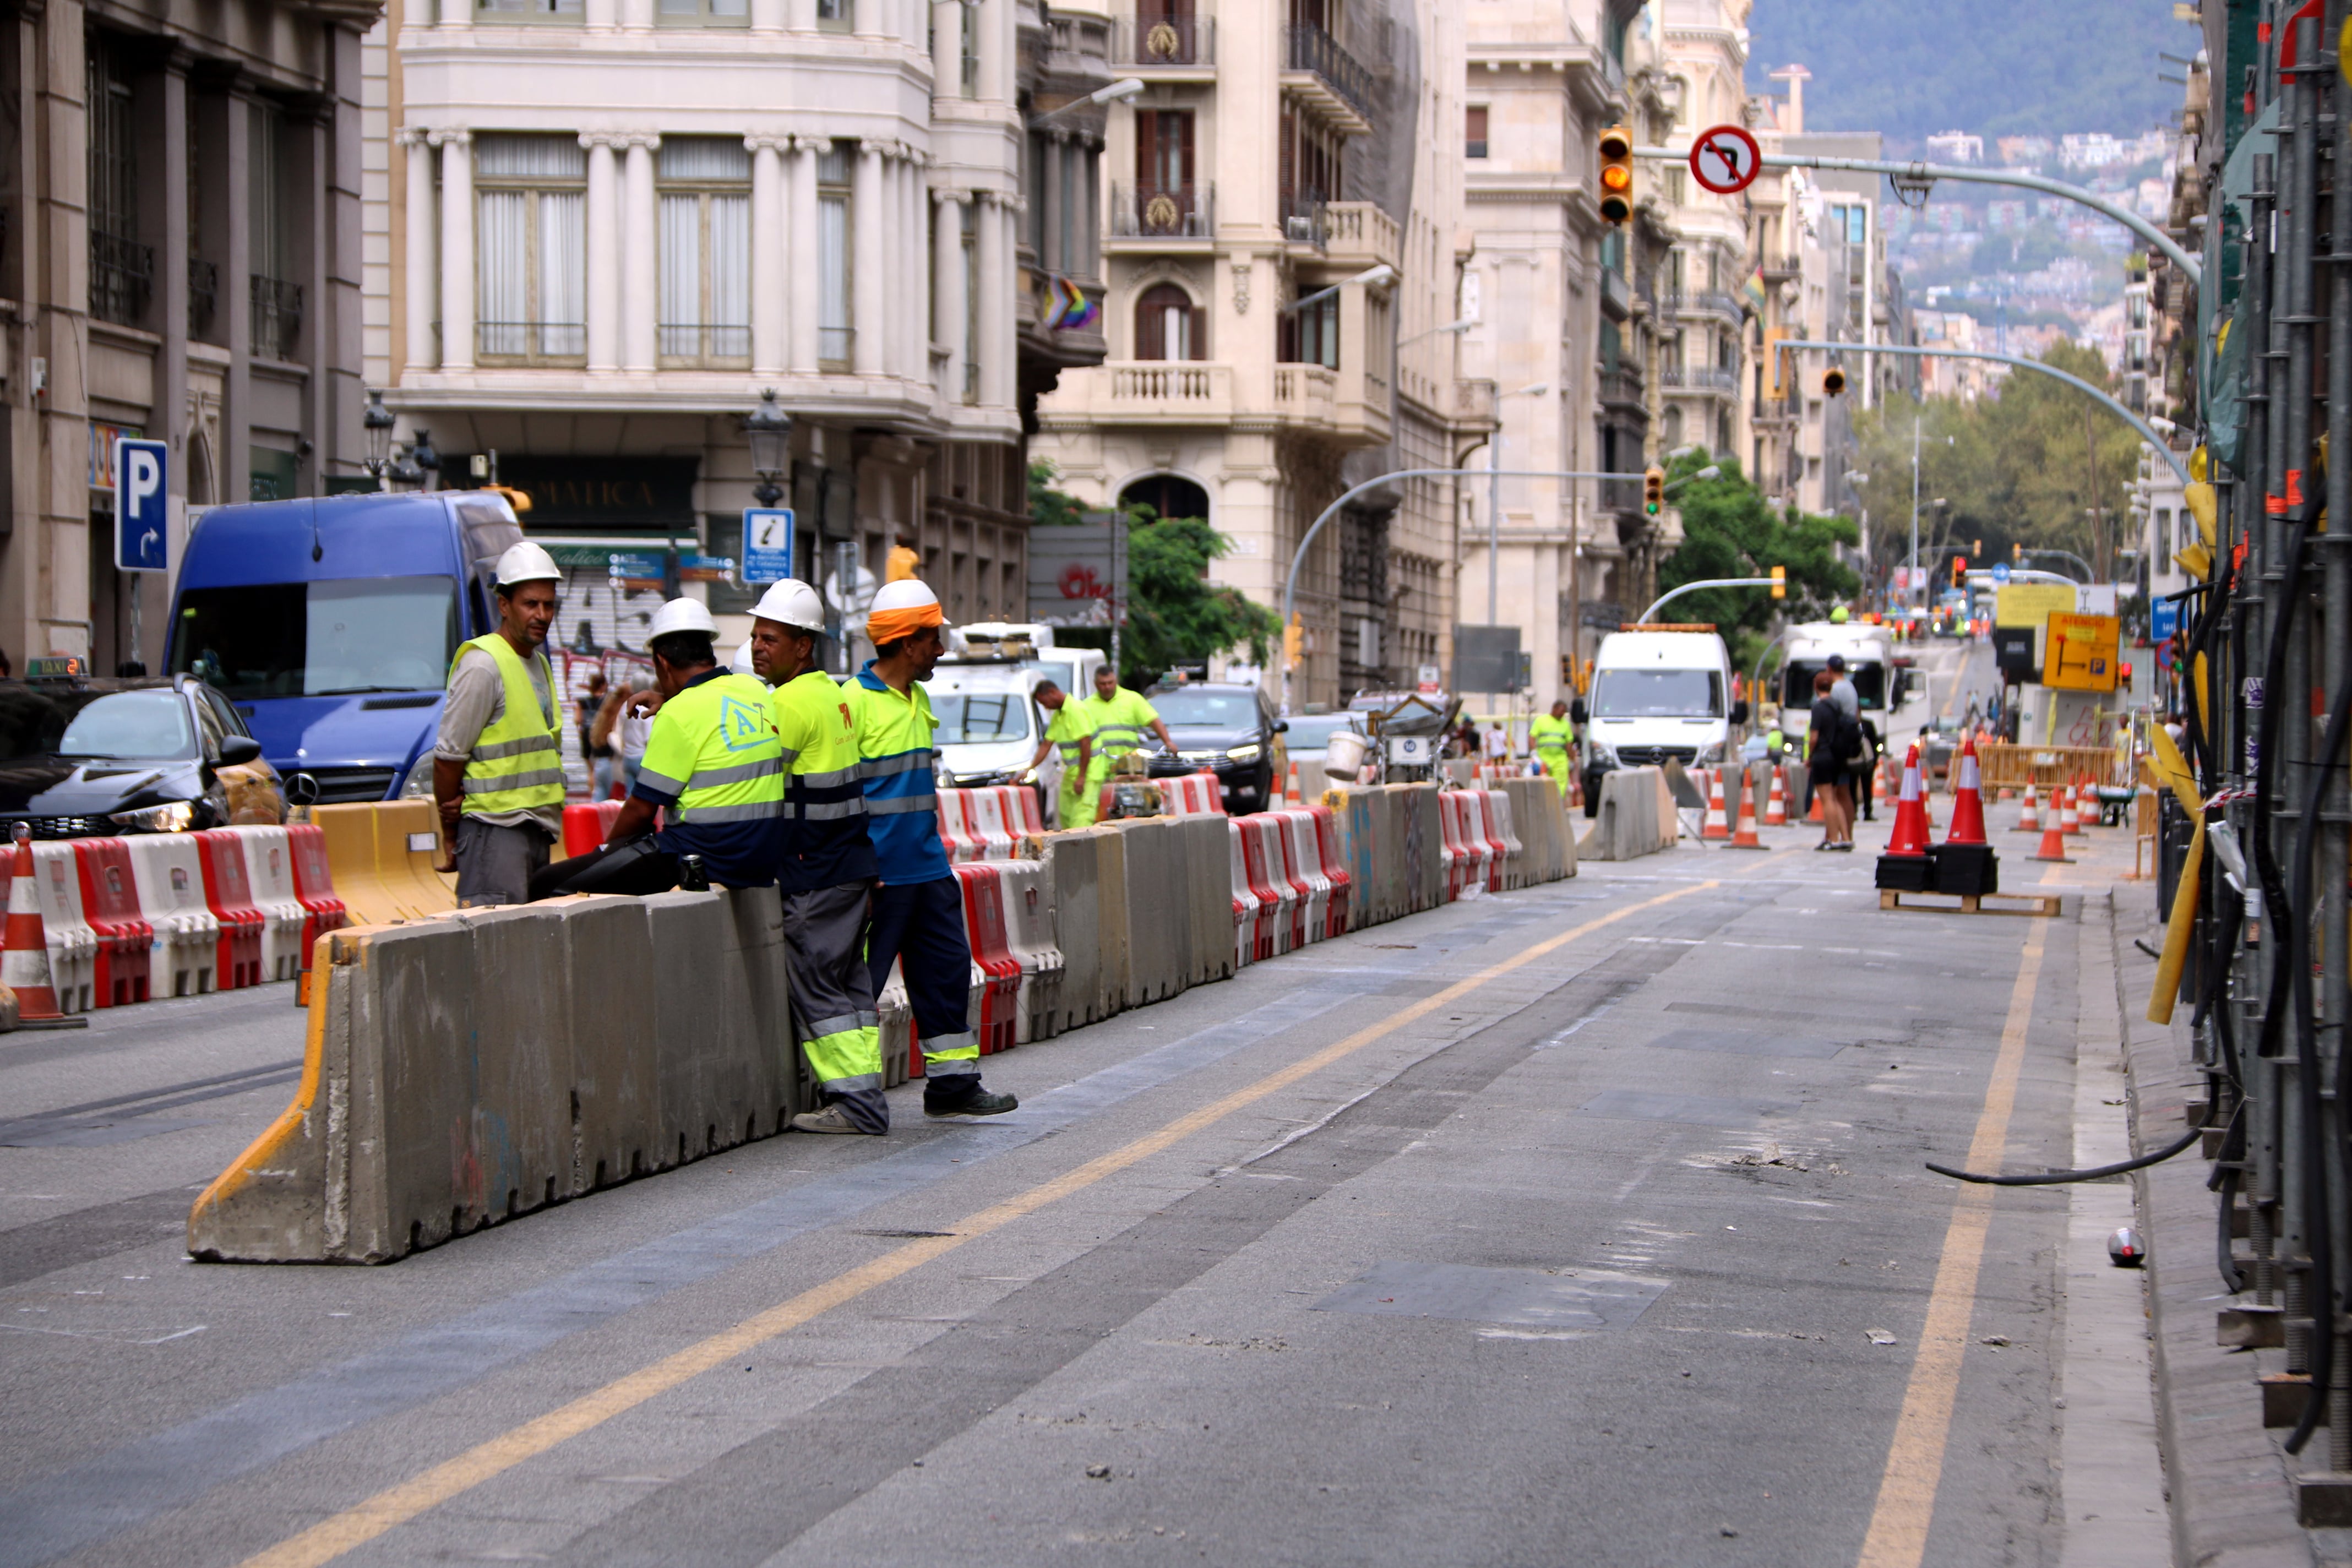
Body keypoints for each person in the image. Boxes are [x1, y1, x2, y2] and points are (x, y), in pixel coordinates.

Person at [847, 578, 1017, 1118]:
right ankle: (848, 1095)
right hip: (880, 877)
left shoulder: (916, 697)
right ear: (906, 642)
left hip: (927, 869)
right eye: (933, 639)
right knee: (859, 989)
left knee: (944, 976)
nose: (941, 650)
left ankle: (953, 1086)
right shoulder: (850, 704)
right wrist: (857, 864)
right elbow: (839, 795)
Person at [746, 581, 888, 1136]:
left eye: (771, 638)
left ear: (803, 646)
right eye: (756, 636)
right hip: (852, 865)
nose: (759, 646)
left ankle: (855, 1105)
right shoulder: (837, 694)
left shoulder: (786, 703)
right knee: (850, 985)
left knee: (816, 982)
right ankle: (866, 1094)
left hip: (814, 870)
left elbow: (752, 781)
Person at [529, 598, 785, 898]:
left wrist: (606, 851)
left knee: (547, 883)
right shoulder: (753, 690)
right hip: (759, 859)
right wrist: (671, 699)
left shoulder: (679, 714)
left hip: (700, 859)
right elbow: (712, 714)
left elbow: (640, 809)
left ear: (662, 661)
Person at [434, 542, 567, 906]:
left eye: (549, 604)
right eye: (530, 604)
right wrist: (450, 831)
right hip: (495, 832)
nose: (542, 614)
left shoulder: (538, 664)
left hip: (536, 830)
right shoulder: (483, 665)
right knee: (497, 948)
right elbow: (448, 757)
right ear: (504, 605)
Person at [1027, 680, 1100, 830]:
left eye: (1044, 702)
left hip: (1089, 774)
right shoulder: (1059, 716)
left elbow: (1086, 744)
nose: (1045, 707)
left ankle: (1081, 851)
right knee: (1065, 818)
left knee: (1081, 821)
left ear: (1053, 693)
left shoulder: (1075, 710)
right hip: (1072, 773)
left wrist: (1082, 777)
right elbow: (1046, 745)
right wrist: (1029, 769)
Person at [1079, 666, 1176, 776]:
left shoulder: (1132, 699)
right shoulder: (1086, 706)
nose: (1107, 687)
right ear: (1096, 684)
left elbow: (1154, 720)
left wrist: (1168, 742)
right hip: (1099, 770)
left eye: (1110, 683)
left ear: (1116, 681)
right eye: (1103, 684)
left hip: (1128, 766)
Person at [1806, 669, 1853, 851]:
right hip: (1836, 756)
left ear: (1816, 687)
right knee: (1834, 798)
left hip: (1822, 755)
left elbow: (1814, 737)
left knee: (1827, 800)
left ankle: (1833, 839)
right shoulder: (1836, 706)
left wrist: (1810, 756)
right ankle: (1846, 837)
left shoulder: (1818, 708)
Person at [1530, 699, 1575, 798]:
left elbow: (1569, 743)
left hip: (1560, 760)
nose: (1563, 714)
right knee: (1544, 784)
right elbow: (1532, 737)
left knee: (1561, 785)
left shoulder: (1565, 724)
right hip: (1544, 759)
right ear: (1554, 709)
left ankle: (1557, 804)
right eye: (1561, 711)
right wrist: (1534, 752)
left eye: (1564, 712)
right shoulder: (1541, 721)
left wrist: (1572, 760)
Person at [578, 672, 612, 798]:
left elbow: (578, 720)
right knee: (603, 763)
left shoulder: (582, 702)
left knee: (591, 769)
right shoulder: (607, 701)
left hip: (586, 734)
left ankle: (592, 793)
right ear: (602, 685)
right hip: (601, 735)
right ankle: (601, 792)